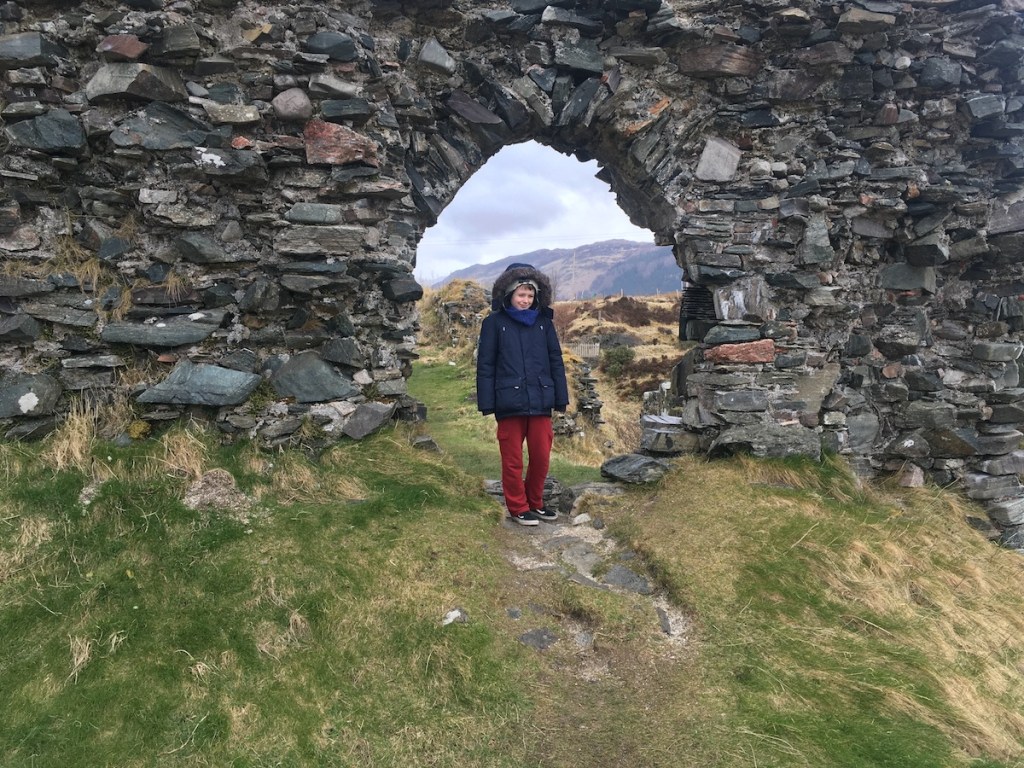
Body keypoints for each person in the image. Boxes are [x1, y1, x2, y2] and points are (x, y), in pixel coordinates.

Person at [476, 263, 570, 526]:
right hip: (509, 402)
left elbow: (555, 360)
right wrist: (487, 402)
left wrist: (560, 397)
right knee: (513, 460)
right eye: (521, 295)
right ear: (509, 294)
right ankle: (518, 507)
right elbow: (486, 364)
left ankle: (535, 503)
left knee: (541, 457)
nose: (526, 300)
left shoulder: (544, 323)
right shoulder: (493, 323)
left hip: (541, 400)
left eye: (530, 295)